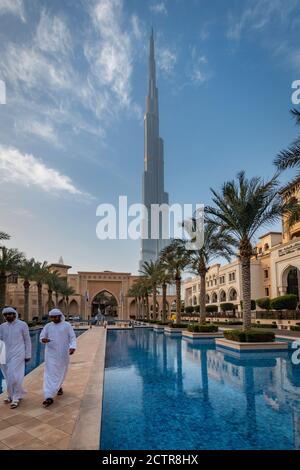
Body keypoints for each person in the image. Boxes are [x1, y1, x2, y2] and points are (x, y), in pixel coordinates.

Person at [40, 309, 76, 407]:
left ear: (60, 316)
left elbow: (72, 337)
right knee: (49, 373)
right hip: (50, 354)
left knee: (60, 372)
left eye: (56, 316)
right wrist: (43, 339)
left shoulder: (67, 326)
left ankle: (58, 387)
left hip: (63, 354)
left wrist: (72, 347)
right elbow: (42, 336)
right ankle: (49, 396)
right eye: (52, 317)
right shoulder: (48, 326)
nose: (54, 319)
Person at [0, 307, 31, 409]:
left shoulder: (22, 325)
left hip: (18, 354)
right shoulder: (2, 326)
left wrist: (28, 354)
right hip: (5, 354)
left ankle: (16, 398)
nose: (8, 316)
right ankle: (10, 395)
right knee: (8, 376)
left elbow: (27, 340)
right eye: (6, 314)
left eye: (10, 314)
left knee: (14, 375)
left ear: (14, 314)